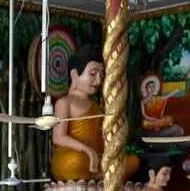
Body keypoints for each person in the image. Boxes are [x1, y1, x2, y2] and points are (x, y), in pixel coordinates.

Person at [50, 45, 138, 182]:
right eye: (92, 74)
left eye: (101, 75)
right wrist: (87, 150)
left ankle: (97, 176)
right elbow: (58, 137)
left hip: (95, 159)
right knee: (74, 161)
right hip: (73, 157)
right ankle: (100, 177)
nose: (98, 81)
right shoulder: (64, 102)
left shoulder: (96, 106)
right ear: (74, 75)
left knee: (132, 161)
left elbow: (100, 138)